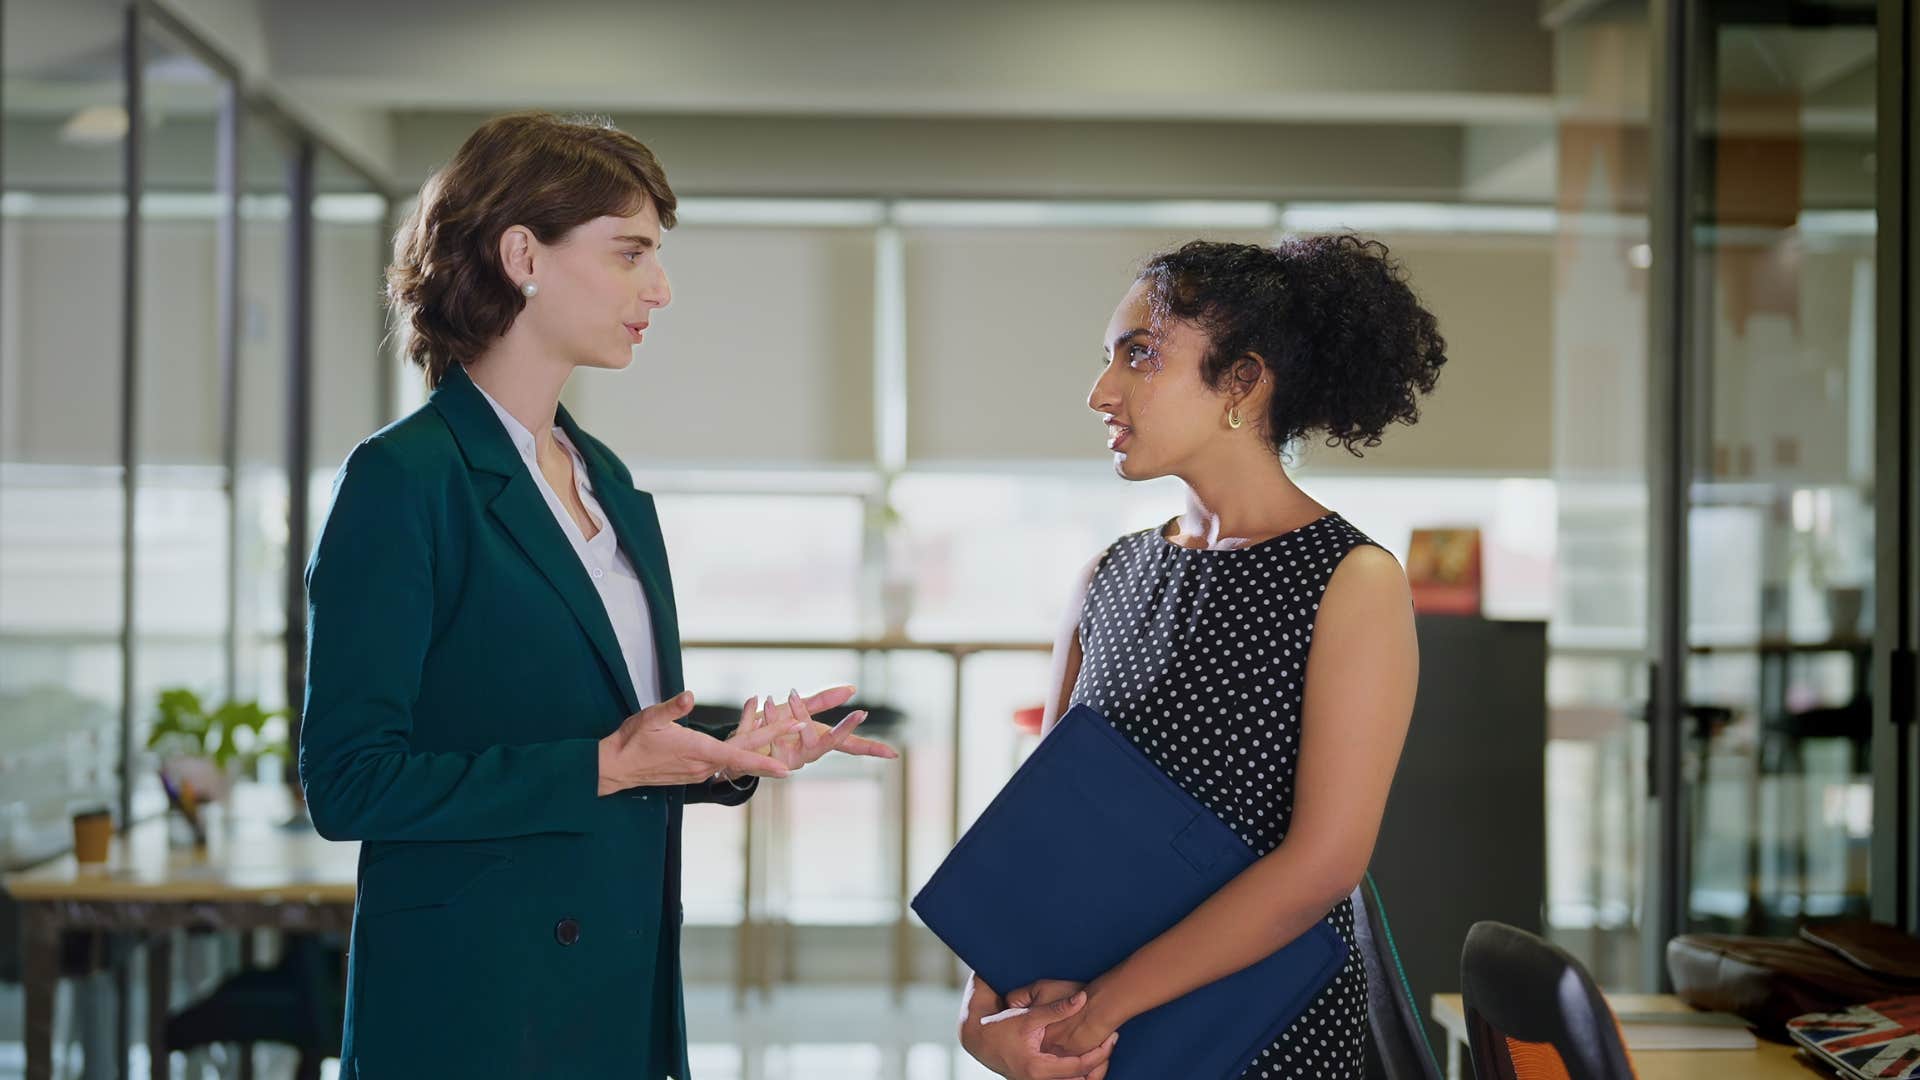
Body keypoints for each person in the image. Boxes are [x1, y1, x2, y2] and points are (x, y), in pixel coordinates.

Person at [298, 111, 896, 1079]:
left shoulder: (605, 479)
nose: (659, 288)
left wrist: (720, 754)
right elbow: (348, 782)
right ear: (522, 255)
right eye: (629, 254)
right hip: (476, 1010)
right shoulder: (405, 479)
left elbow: (602, 730)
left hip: (618, 992)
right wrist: (603, 767)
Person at [959, 237, 1444, 1080]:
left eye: (1140, 356)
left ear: (1242, 383)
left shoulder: (1351, 581)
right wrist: (982, 1012)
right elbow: (1045, 829)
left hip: (1260, 1033)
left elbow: (1323, 866)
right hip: (1097, 1027)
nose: (1101, 391)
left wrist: (1098, 1011)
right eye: (1108, 358)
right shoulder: (1107, 577)